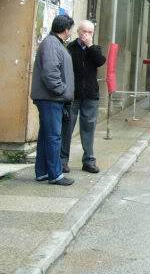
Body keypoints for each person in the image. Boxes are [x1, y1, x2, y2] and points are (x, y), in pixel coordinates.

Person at [31, 14, 76, 186]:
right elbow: (51, 73)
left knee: (46, 136)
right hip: (51, 99)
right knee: (53, 137)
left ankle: (42, 172)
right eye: (70, 29)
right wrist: (62, 91)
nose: (70, 32)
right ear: (66, 30)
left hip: (51, 98)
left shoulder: (53, 43)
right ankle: (55, 174)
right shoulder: (51, 44)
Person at [60, 20, 106, 174]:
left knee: (88, 128)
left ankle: (88, 161)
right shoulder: (70, 48)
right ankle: (62, 161)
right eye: (84, 31)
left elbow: (100, 61)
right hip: (73, 95)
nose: (86, 34)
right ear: (78, 32)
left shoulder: (95, 49)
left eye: (90, 32)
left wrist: (90, 45)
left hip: (90, 95)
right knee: (67, 128)